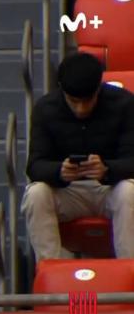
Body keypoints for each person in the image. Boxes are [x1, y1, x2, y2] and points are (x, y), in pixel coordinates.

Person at [21, 53, 134, 262]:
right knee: (36, 194)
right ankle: (52, 271)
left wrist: (107, 169)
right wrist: (59, 171)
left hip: (110, 188)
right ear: (63, 92)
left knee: (130, 191)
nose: (81, 109)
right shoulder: (46, 109)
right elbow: (35, 166)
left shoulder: (125, 104)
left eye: (87, 101)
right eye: (74, 102)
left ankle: (130, 271)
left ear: (98, 90)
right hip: (68, 190)